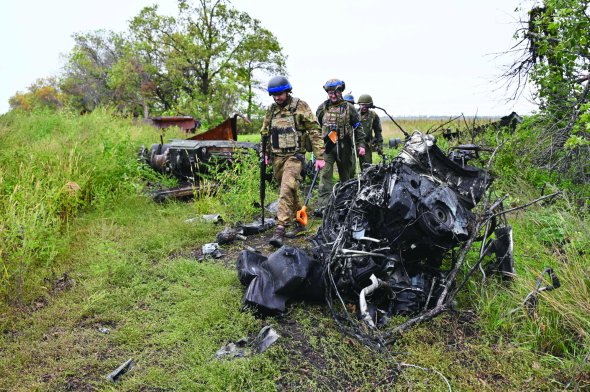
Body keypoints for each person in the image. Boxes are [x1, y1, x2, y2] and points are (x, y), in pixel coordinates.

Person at [261, 76, 325, 248]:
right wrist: (265, 153)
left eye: (280, 94)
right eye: (274, 95)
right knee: (291, 190)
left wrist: (319, 156)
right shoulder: (272, 110)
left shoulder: (300, 106)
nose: (277, 98)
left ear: (287, 91)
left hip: (295, 156)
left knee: (287, 187)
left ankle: (280, 228)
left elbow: (314, 130)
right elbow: (265, 133)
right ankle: (301, 221)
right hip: (277, 157)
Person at [316, 79, 365, 211]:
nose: (332, 95)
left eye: (335, 92)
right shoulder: (322, 108)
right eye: (330, 92)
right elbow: (317, 126)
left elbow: (358, 128)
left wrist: (361, 145)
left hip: (345, 147)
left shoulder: (350, 108)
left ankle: (346, 203)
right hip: (328, 147)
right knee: (325, 176)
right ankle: (324, 207)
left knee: (347, 177)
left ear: (340, 92)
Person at [357, 94, 383, 166]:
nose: (364, 107)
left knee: (367, 167)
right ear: (359, 104)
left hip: (366, 144)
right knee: (350, 168)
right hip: (354, 143)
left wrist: (379, 145)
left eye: (366, 105)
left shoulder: (373, 115)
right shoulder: (354, 113)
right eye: (362, 104)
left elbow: (378, 131)